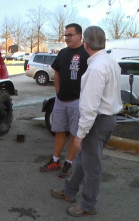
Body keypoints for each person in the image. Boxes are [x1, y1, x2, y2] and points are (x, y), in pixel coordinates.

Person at [50, 26, 123, 217]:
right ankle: (69, 191)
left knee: (92, 166)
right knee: (84, 160)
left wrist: (80, 134)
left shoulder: (96, 68)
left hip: (98, 121)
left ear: (86, 44)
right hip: (107, 120)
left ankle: (88, 204)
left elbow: (90, 106)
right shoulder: (110, 62)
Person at [39, 23, 89, 178]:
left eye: (70, 35)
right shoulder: (63, 53)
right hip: (61, 100)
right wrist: (58, 92)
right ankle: (55, 160)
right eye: (65, 35)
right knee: (58, 130)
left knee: (74, 133)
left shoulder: (86, 54)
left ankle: (68, 163)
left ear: (80, 36)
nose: (67, 38)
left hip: (77, 101)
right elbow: (57, 73)